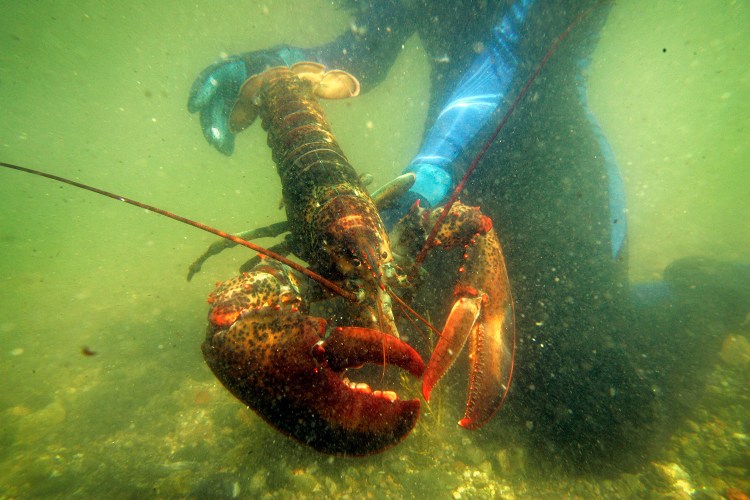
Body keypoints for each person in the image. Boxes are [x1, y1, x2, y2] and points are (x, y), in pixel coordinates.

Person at [188, 0, 749, 471]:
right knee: (368, 335)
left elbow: (509, 53)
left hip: (554, 178)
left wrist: (435, 166)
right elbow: (364, 50)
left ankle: (710, 291)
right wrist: (268, 65)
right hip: (439, 192)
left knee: (591, 424)